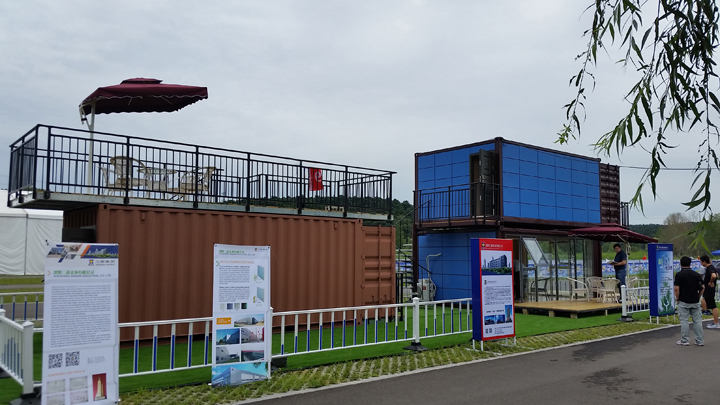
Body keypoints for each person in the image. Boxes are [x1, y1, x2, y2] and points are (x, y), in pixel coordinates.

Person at [674, 256, 705, 346]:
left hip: (683, 301)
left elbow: (676, 288)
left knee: (684, 321)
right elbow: (702, 287)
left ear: (680, 264)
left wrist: (678, 298)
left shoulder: (679, 275)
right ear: (690, 263)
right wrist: (698, 296)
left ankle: (685, 340)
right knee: (697, 321)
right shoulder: (696, 275)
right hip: (695, 300)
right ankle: (699, 340)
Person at [700, 255, 719, 328]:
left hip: (709, 289)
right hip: (709, 290)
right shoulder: (710, 268)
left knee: (713, 306)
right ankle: (715, 322)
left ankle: (716, 323)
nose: (701, 263)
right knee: (710, 304)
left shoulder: (710, 268)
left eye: (701, 261)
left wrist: (711, 282)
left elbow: (713, 275)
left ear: (704, 261)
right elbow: (716, 274)